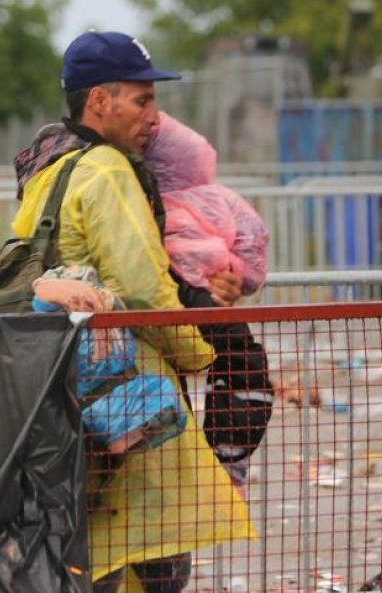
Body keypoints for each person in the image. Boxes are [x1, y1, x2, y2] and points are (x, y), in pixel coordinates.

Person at [12, 30, 253, 593]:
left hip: (60, 389)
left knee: (85, 548)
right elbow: (144, 289)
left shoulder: (47, 168)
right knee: (157, 552)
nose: (155, 116)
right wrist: (200, 352)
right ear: (100, 100)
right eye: (143, 99)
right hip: (126, 393)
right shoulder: (107, 170)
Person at [144, 111, 275, 489]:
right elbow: (252, 248)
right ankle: (228, 456)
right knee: (238, 362)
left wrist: (225, 276)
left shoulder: (158, 201)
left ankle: (219, 461)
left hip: (177, 311)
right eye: (142, 101)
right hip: (171, 311)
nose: (146, 115)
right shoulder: (123, 186)